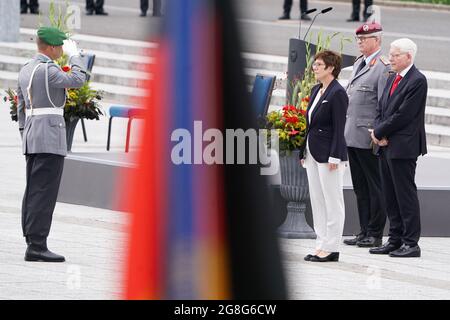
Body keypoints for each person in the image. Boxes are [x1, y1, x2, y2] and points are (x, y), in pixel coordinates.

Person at [16, 26, 87, 262]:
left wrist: (25, 132)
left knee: (34, 190)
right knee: (44, 192)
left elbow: (20, 107)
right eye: (60, 46)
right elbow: (78, 79)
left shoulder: (26, 68)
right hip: (49, 136)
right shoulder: (47, 70)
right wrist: (76, 55)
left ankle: (32, 239)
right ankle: (37, 245)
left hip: (33, 135)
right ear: (51, 47)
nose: (61, 50)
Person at [369, 38, 427, 258]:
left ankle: (411, 243)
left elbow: (403, 115)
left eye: (395, 55)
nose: (390, 58)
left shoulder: (417, 80)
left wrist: (380, 132)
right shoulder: (393, 77)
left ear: (408, 57)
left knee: (404, 195)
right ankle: (394, 239)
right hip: (385, 144)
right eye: (391, 54)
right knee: (389, 195)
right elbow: (381, 108)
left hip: (403, 146)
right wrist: (377, 131)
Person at [343, 23, 390, 248]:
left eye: (364, 39)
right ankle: (363, 231)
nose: (360, 42)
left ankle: (375, 233)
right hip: (351, 133)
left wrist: (379, 132)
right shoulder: (359, 63)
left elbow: (384, 103)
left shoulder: (382, 66)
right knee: (360, 187)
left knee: (375, 186)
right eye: (358, 39)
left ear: (377, 40)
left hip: (368, 136)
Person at [300, 50, 348, 262]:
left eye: (319, 64)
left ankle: (332, 247)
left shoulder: (338, 93)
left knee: (332, 201)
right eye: (315, 64)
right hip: (312, 152)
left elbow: (340, 128)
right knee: (317, 200)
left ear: (331, 68)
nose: (315, 68)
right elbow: (309, 125)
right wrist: (303, 150)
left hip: (329, 155)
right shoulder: (316, 90)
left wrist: (335, 157)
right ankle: (320, 244)